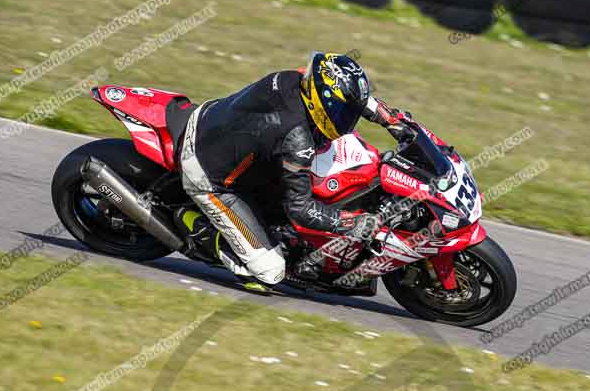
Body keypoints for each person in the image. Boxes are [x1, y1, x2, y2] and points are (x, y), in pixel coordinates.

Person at [178, 52, 415, 288]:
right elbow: (300, 208)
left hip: (216, 124)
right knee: (270, 271)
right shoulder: (296, 140)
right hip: (207, 174)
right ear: (323, 101)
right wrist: (351, 223)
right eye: (343, 113)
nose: (347, 120)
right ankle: (198, 226)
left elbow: (348, 96)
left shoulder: (299, 79)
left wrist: (390, 119)